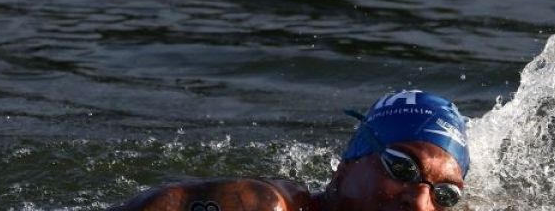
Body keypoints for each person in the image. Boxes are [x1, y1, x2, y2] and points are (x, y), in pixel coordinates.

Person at [107, 90, 470, 211]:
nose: (421, 203)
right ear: (346, 166)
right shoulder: (261, 205)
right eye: (402, 168)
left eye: (446, 195)